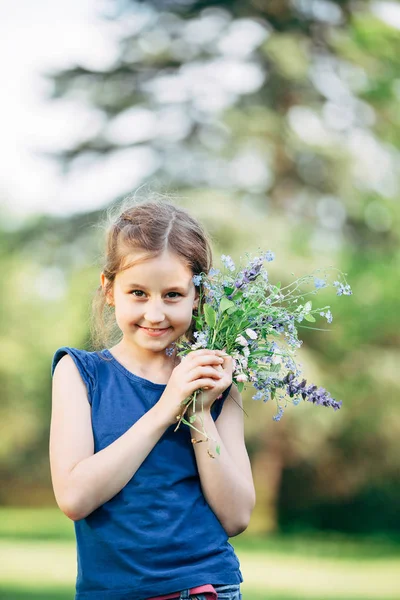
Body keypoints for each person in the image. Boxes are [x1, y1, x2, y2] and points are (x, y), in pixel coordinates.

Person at [50, 199, 256, 600]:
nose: (156, 313)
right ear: (110, 290)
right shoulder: (79, 374)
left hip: (207, 588)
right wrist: (166, 409)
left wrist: (199, 411)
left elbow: (236, 516)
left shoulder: (216, 381)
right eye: (139, 293)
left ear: (197, 296)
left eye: (174, 295)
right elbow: (74, 498)